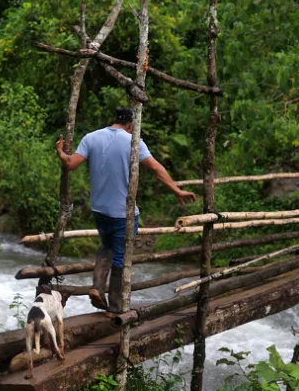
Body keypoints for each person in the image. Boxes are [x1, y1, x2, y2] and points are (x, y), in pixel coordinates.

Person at [55, 107, 197, 315]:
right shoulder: (134, 142)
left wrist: (60, 151)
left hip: (99, 208)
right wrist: (176, 190)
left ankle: (96, 286)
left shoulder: (91, 138)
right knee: (121, 257)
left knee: (106, 245)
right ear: (131, 125)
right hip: (123, 212)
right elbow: (156, 169)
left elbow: (71, 163)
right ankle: (115, 307)